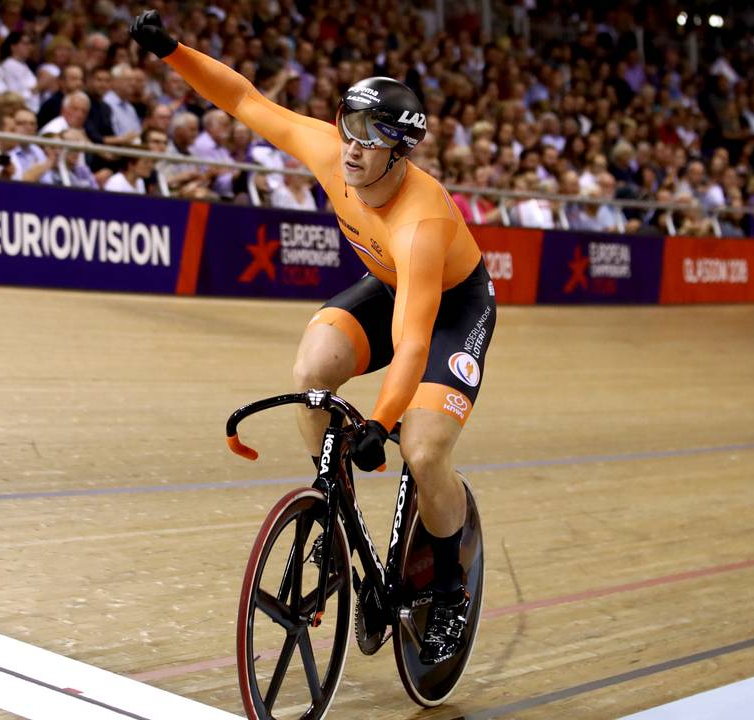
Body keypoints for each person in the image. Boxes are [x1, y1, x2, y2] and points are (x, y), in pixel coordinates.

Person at [132, 11, 492, 665]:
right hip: (388, 287)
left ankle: (451, 591)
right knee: (311, 377)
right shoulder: (332, 152)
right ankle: (335, 512)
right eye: (346, 129)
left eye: (367, 137)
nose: (349, 147)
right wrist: (170, 51)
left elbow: (413, 344)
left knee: (424, 448)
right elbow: (243, 99)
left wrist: (381, 422)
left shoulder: (423, 221)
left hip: (450, 312)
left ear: (398, 151)